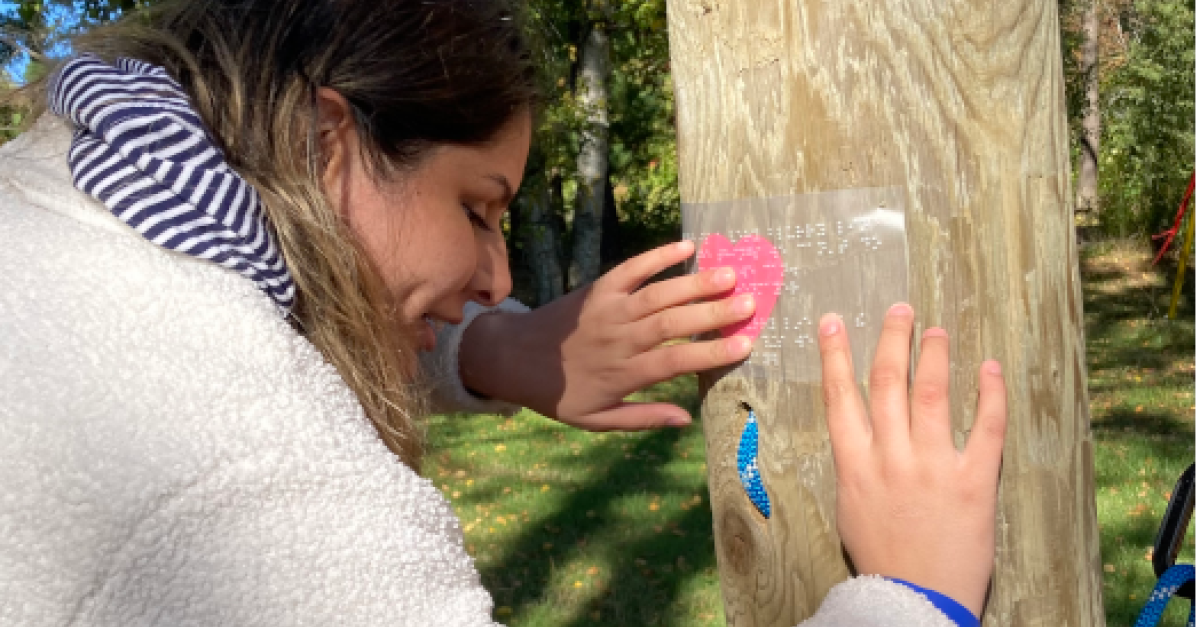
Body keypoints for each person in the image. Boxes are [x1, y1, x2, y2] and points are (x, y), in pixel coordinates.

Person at [0, 1, 1007, 626]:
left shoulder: (68, 195)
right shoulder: (251, 476)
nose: (494, 271)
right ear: (321, 144)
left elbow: (253, 298)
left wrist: (483, 349)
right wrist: (912, 600)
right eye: (477, 208)